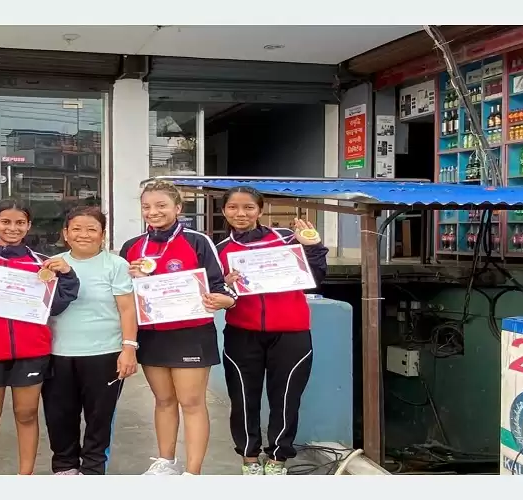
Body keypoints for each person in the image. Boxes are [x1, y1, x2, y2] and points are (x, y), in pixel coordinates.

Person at [0, 199, 80, 475]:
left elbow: (56, 304)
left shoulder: (42, 264)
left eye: (20, 222)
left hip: (31, 351)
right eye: (6, 222)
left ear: (28, 225)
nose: (13, 228)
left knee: (27, 414)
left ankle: (25, 477)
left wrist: (69, 275)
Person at [119, 180, 237, 476]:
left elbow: (219, 287)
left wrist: (225, 300)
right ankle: (166, 463)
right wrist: (131, 278)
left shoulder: (198, 242)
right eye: (146, 207)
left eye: (161, 205)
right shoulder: (132, 247)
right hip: (152, 334)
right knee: (163, 401)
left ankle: (192, 473)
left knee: (192, 402)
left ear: (178, 208)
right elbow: (122, 295)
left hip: (191, 333)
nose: (153, 212)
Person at [215, 186, 329, 475]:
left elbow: (316, 278)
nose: (240, 214)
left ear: (260, 210)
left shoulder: (286, 239)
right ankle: (249, 459)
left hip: (291, 333)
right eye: (233, 207)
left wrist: (312, 247)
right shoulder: (220, 250)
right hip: (242, 333)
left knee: (286, 398)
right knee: (243, 399)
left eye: (248, 207)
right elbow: (214, 294)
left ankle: (278, 459)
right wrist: (225, 284)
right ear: (224, 211)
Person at [42, 206, 138, 476]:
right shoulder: (51, 264)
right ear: (65, 233)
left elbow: (127, 309)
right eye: (76, 229)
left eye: (91, 229)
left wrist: (129, 348)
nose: (83, 235)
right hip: (57, 353)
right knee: (59, 415)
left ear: (102, 234)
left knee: (99, 417)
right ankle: (65, 468)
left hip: (105, 352)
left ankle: (93, 471)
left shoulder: (116, 265)